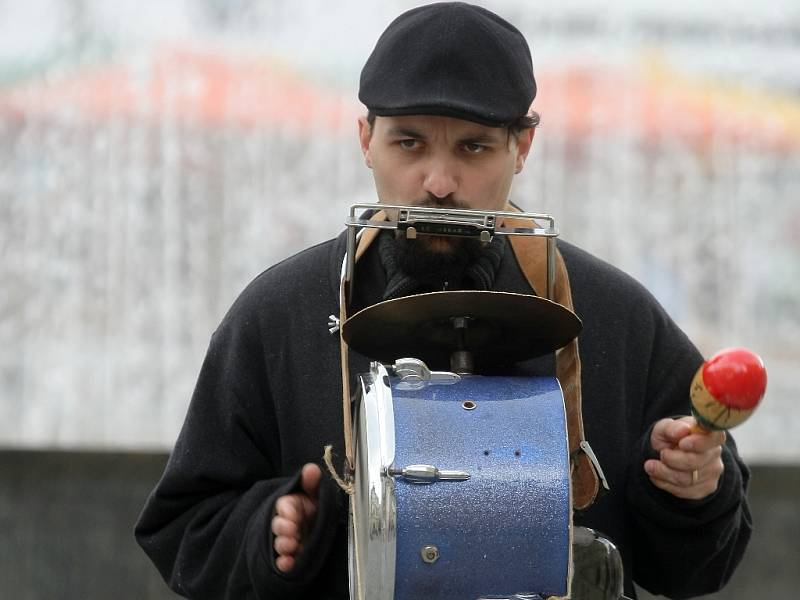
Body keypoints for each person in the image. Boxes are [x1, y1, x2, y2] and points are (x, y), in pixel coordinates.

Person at [135, 3, 752, 599]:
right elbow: (180, 530)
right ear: (365, 138)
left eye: (473, 148)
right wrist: (268, 531)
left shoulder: (614, 314)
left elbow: (701, 569)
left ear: (523, 146)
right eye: (409, 143)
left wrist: (690, 493)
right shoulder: (279, 312)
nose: (438, 183)